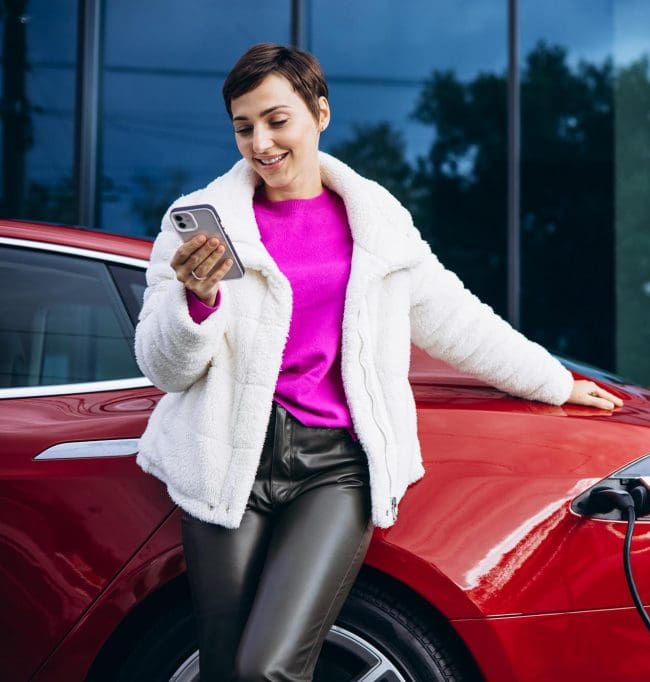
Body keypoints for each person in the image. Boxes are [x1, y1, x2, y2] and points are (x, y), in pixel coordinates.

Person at [133, 42, 623, 681]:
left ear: (320, 114)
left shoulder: (376, 221)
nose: (261, 142)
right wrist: (196, 304)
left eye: (277, 120)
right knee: (223, 667)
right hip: (228, 459)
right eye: (244, 127)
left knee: (267, 668)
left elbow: (456, 319)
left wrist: (555, 382)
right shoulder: (199, 223)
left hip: (335, 470)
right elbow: (162, 366)